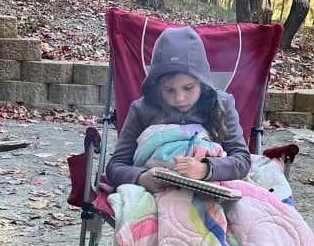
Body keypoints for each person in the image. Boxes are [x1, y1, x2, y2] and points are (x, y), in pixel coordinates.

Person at [106, 26, 251, 193]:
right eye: (169, 90)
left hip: (210, 190)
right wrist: (142, 177)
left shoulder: (222, 104)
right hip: (156, 192)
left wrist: (205, 169)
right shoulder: (142, 109)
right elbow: (115, 166)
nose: (179, 98)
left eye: (188, 88)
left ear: (202, 82)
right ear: (157, 86)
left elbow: (243, 160)